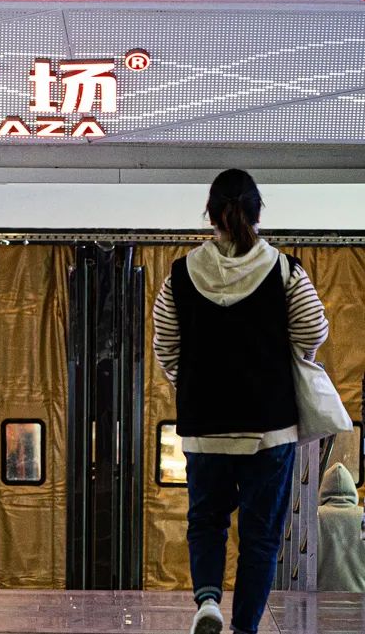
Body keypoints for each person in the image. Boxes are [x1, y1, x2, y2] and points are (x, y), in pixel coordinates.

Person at [152, 169, 329, 634]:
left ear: (211, 215)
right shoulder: (285, 270)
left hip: (204, 429)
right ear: (257, 213)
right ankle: (245, 628)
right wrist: (282, 363)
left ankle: (208, 601)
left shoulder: (179, 275)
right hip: (269, 429)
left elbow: (165, 345)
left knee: (206, 522)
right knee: (260, 536)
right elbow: (314, 330)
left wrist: (194, 384)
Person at [316, 462, 365, 592]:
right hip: (360, 600)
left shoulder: (314, 517)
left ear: (322, 491)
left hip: (317, 600)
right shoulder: (363, 517)